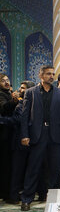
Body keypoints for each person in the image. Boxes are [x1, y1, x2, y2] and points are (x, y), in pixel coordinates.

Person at [20, 66, 60, 210]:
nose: (51, 76)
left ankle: (52, 196)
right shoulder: (30, 93)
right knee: (33, 167)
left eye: (53, 74)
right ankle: (27, 198)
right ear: (41, 75)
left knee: (54, 168)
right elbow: (24, 116)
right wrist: (24, 135)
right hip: (37, 134)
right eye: (48, 74)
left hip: (56, 134)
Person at [0, 73, 20, 202]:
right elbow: (3, 109)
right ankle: (6, 193)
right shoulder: (2, 94)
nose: (6, 82)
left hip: (9, 134)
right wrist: (14, 101)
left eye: (8, 80)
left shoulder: (8, 93)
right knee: (5, 165)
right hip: (3, 136)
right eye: (3, 80)